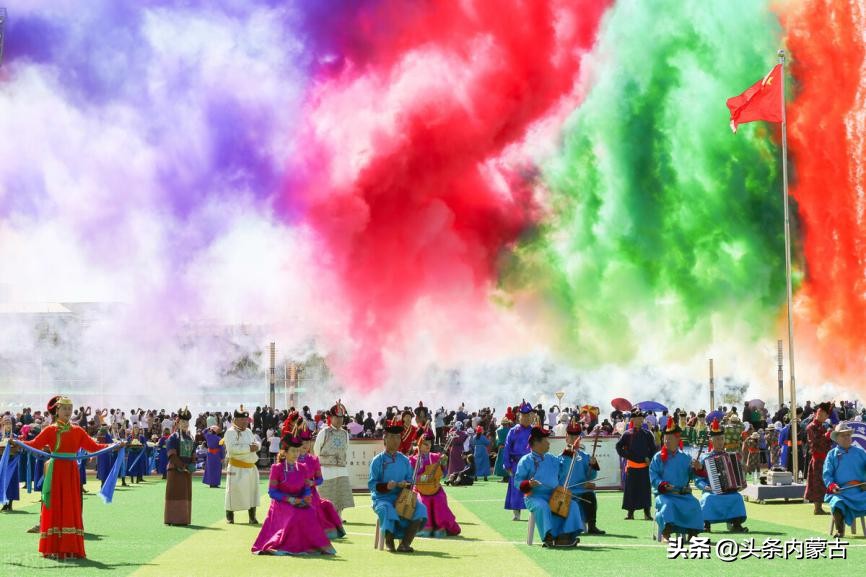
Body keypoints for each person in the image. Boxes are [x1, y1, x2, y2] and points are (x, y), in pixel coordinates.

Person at [21, 395, 122, 559]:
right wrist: (16, 442)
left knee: (70, 505)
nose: (68, 412)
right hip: (55, 471)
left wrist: (114, 446)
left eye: (70, 408)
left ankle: (70, 547)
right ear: (57, 411)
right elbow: (35, 445)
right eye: (64, 409)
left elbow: (94, 447)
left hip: (71, 472)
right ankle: (53, 547)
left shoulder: (77, 430)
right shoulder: (50, 430)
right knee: (54, 504)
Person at [251, 428, 336, 555]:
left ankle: (310, 546)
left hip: (299, 501)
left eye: (298, 450)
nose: (296, 453)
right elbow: (272, 492)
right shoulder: (277, 468)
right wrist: (291, 500)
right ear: (284, 453)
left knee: (310, 512)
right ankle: (288, 545)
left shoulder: (302, 467)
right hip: (281, 504)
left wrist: (307, 497)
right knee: (296, 515)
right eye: (293, 451)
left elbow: (306, 487)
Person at [514, 426, 583, 547]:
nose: (549, 443)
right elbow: (517, 481)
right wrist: (528, 484)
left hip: (553, 494)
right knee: (543, 506)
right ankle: (548, 537)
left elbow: (563, 468)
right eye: (546, 441)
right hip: (534, 497)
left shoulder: (550, 457)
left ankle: (565, 536)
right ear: (536, 443)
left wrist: (569, 453)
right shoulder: (525, 460)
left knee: (572, 504)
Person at [368, 419, 427, 553]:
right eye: (392, 437)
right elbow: (372, 484)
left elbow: (410, 482)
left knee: (420, 508)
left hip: (401, 496)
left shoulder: (404, 460)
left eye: (398, 437)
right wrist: (387, 486)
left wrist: (404, 484)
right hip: (382, 498)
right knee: (387, 509)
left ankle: (405, 543)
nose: (395, 440)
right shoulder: (377, 461)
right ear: (385, 440)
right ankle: (389, 542)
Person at [649, 416, 704, 542]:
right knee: (668, 505)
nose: (667, 441)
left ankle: (693, 533)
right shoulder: (658, 457)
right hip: (665, 495)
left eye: (669, 438)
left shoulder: (685, 457)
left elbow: (693, 476)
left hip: (683, 494)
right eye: (665, 438)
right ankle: (666, 533)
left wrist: (698, 468)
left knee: (694, 503)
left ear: (677, 439)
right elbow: (653, 475)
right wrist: (662, 484)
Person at [696, 419, 747, 533]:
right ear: (711, 441)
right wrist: (705, 487)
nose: (720, 442)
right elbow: (698, 479)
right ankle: (706, 524)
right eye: (717, 439)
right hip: (711, 490)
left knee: (737, 497)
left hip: (729, 491)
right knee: (708, 498)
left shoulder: (731, 456)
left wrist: (742, 480)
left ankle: (736, 523)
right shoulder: (705, 457)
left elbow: (738, 475)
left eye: (722, 439)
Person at [297, 419, 345, 539]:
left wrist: (312, 482)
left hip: (312, 493)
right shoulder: (292, 459)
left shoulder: (314, 460)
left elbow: (320, 480)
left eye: (308, 442)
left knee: (323, 504)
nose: (305, 445)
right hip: (296, 493)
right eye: (303, 442)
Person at [409, 429, 460, 537]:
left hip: (436, 489)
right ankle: (426, 527)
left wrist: (444, 463)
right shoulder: (413, 460)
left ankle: (440, 527)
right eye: (425, 443)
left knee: (440, 500)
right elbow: (411, 478)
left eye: (430, 443)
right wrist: (424, 478)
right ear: (419, 444)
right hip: (420, 490)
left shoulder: (436, 457)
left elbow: (444, 474)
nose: (428, 446)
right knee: (423, 502)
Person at [561, 420, 604, 535]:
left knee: (590, 495)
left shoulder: (585, 457)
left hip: (581, 490)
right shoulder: (561, 457)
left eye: (576, 436)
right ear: (566, 437)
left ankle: (592, 525)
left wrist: (593, 466)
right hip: (566, 492)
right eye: (571, 436)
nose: (574, 438)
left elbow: (591, 476)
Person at [313, 400, 355, 520]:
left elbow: (346, 449)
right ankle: (324, 518)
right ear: (331, 418)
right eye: (337, 417)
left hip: (341, 469)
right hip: (326, 469)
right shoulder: (324, 432)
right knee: (326, 495)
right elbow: (316, 450)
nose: (339, 420)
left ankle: (338, 518)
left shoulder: (345, 434)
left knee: (340, 495)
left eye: (341, 418)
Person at [824, 422, 866, 538]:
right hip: (841, 491)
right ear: (837, 438)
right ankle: (840, 531)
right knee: (837, 502)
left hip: (860, 490)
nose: (847, 437)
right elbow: (827, 474)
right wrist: (832, 486)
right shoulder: (831, 455)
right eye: (843, 435)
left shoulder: (860, 452)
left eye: (848, 435)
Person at [615, 408, 656, 520]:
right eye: (637, 418)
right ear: (633, 419)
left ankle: (647, 513)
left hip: (644, 466)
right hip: (632, 466)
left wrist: (650, 458)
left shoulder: (648, 434)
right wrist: (627, 455)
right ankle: (630, 513)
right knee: (631, 490)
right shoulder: (627, 434)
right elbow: (618, 447)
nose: (639, 420)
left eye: (641, 418)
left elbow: (653, 449)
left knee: (645, 490)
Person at [224, 406, 260, 525]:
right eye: (242, 420)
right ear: (236, 420)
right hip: (236, 467)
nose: (245, 422)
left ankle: (252, 517)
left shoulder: (248, 431)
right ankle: (230, 516)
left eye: (246, 420)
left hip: (250, 467)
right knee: (233, 491)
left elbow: (255, 442)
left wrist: (257, 446)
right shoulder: (230, 432)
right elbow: (232, 449)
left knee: (252, 492)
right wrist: (249, 448)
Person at [502, 401, 534, 520]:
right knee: (516, 489)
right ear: (519, 417)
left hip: (532, 464)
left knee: (533, 488)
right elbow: (507, 449)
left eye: (528, 416)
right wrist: (508, 465)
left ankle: (534, 512)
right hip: (516, 464)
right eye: (523, 416)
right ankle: (516, 513)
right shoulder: (513, 431)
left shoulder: (534, 431)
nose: (526, 418)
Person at [165, 408, 196, 526]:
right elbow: (171, 455)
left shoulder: (190, 438)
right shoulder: (172, 438)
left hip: (186, 472)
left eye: (187, 422)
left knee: (185, 495)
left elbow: (193, 453)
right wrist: (182, 466)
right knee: (175, 494)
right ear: (177, 423)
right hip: (175, 470)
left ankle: (183, 519)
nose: (186, 424)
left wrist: (193, 464)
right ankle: (173, 519)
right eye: (183, 422)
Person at [805, 402, 832, 515]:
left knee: (822, 482)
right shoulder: (811, 427)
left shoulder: (822, 426)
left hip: (824, 458)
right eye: (822, 413)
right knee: (817, 483)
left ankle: (819, 507)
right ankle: (817, 508)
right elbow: (815, 442)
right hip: (817, 459)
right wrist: (827, 435)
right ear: (818, 413)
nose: (824, 416)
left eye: (825, 415)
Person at [2, 415, 20, 512]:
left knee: (12, 483)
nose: (7, 424)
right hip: (2, 462)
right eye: (5, 422)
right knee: (3, 482)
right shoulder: (0, 436)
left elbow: (20, 448)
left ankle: (10, 504)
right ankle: (4, 504)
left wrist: (14, 444)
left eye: (9, 422)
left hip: (12, 461)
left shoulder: (15, 436)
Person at [493, 410, 514, 482]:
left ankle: (504, 478)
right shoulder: (510, 430)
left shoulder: (498, 431)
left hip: (501, 448)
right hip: (509, 448)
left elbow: (497, 440)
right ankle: (508, 477)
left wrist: (498, 445)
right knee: (508, 461)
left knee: (501, 462)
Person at [202, 425, 224, 489]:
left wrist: (209, 428)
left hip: (209, 455)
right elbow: (221, 449)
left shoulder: (208, 436)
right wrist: (222, 457)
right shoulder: (219, 439)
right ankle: (215, 484)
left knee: (210, 469)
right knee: (217, 469)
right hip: (217, 455)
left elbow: (203, 431)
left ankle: (211, 483)